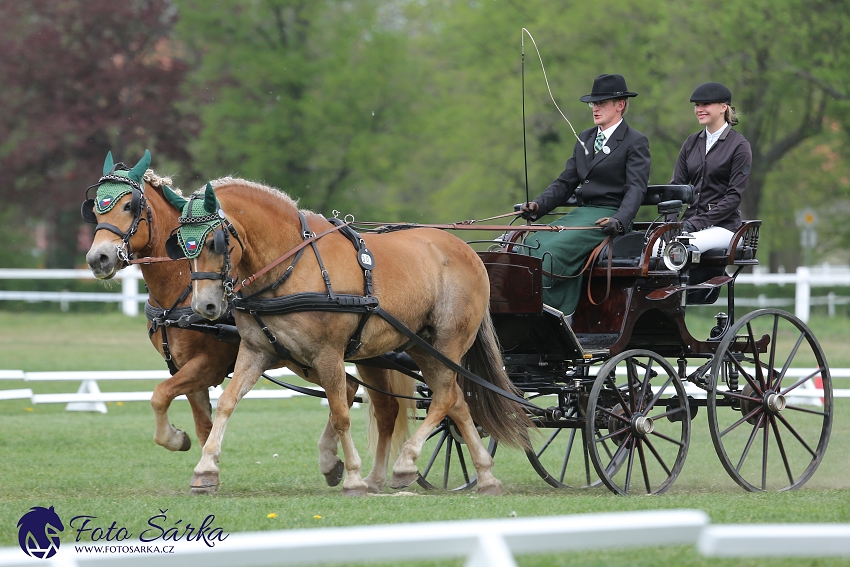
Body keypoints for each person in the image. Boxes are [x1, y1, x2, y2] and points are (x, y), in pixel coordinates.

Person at [519, 73, 650, 316]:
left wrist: (620, 220)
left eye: (601, 103)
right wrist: (538, 205)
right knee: (529, 245)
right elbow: (565, 181)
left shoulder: (635, 141)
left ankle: (554, 315)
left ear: (620, 105)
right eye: (593, 103)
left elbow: (636, 188)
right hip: (581, 214)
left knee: (551, 254)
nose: (595, 108)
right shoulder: (586, 138)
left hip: (608, 217)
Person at [668, 82, 752, 252]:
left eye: (705, 104)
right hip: (689, 227)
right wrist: (670, 224)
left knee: (682, 248)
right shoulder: (691, 143)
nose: (699, 109)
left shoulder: (739, 146)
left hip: (724, 228)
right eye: (697, 105)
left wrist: (695, 223)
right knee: (654, 248)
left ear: (723, 107)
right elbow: (676, 187)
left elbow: (733, 197)